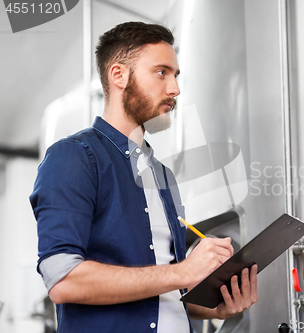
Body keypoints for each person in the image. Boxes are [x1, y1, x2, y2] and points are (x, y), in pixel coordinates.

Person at [29, 21, 257, 333]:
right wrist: (184, 272)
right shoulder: (74, 157)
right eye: (162, 72)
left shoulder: (163, 176)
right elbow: (63, 279)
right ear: (118, 75)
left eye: (176, 75)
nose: (175, 88)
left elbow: (164, 293)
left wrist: (213, 305)